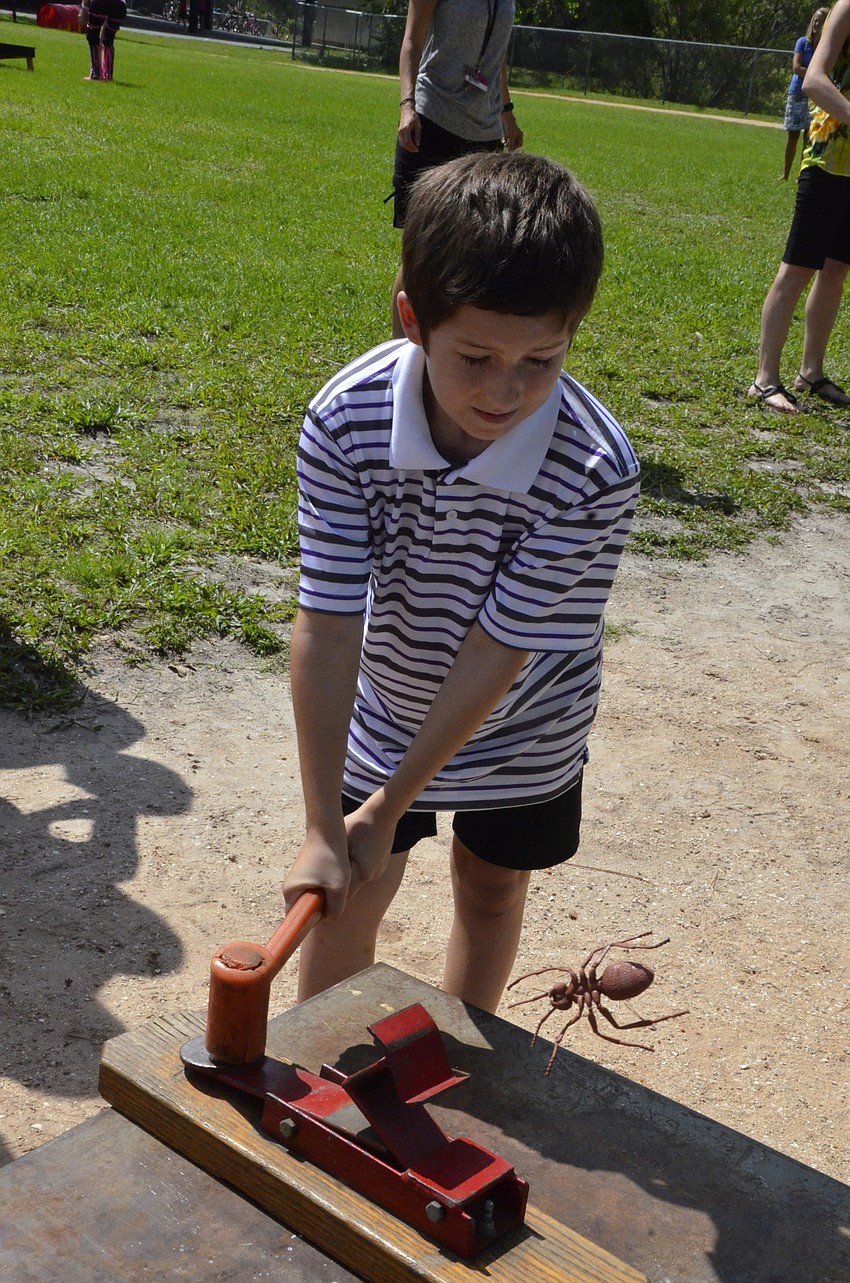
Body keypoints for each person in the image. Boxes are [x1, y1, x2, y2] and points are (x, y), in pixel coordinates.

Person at [282, 151, 640, 1015]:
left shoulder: (595, 468)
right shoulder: (344, 419)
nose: (506, 391)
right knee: (347, 890)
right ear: (412, 316)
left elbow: (500, 645)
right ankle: (313, 1077)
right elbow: (328, 627)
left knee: (489, 888)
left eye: (541, 360)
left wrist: (387, 805)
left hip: (524, 722)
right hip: (389, 706)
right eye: (475, 355)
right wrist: (328, 825)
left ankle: (464, 1062)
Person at [389, 0, 524, 337]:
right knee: (420, 251)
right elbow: (411, 42)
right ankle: (397, 356)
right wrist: (407, 106)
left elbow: (497, 52)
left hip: (484, 132)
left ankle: (454, 346)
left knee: (474, 250)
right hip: (433, 120)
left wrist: (506, 110)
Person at [749, 1, 850, 413]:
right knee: (797, 270)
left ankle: (811, 372)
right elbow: (814, 80)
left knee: (836, 271)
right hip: (826, 162)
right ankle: (764, 380)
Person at [780, 9, 829, 182]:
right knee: (792, 136)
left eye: (821, 21)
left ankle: (801, 175)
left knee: (808, 138)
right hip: (797, 93)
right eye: (815, 20)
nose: (817, 24)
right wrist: (816, 75)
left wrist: (813, 76)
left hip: (815, 96)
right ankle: (785, 174)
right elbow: (796, 68)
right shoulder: (802, 42)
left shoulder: (826, 46)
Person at [81, 0, 126, 81]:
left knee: (92, 36)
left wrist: (83, 8)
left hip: (100, 3)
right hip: (120, 5)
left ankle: (95, 73)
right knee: (108, 40)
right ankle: (107, 74)